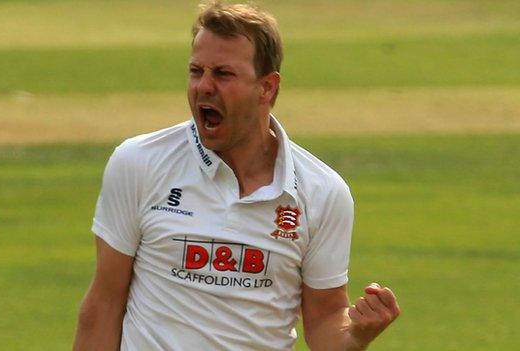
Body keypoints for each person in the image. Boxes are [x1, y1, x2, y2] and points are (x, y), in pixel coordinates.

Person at [73, 1, 400, 350]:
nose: (204, 87)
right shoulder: (139, 162)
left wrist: (356, 335)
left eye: (223, 74)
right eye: (197, 71)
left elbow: (324, 318)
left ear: (267, 88)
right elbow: (104, 305)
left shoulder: (322, 192)